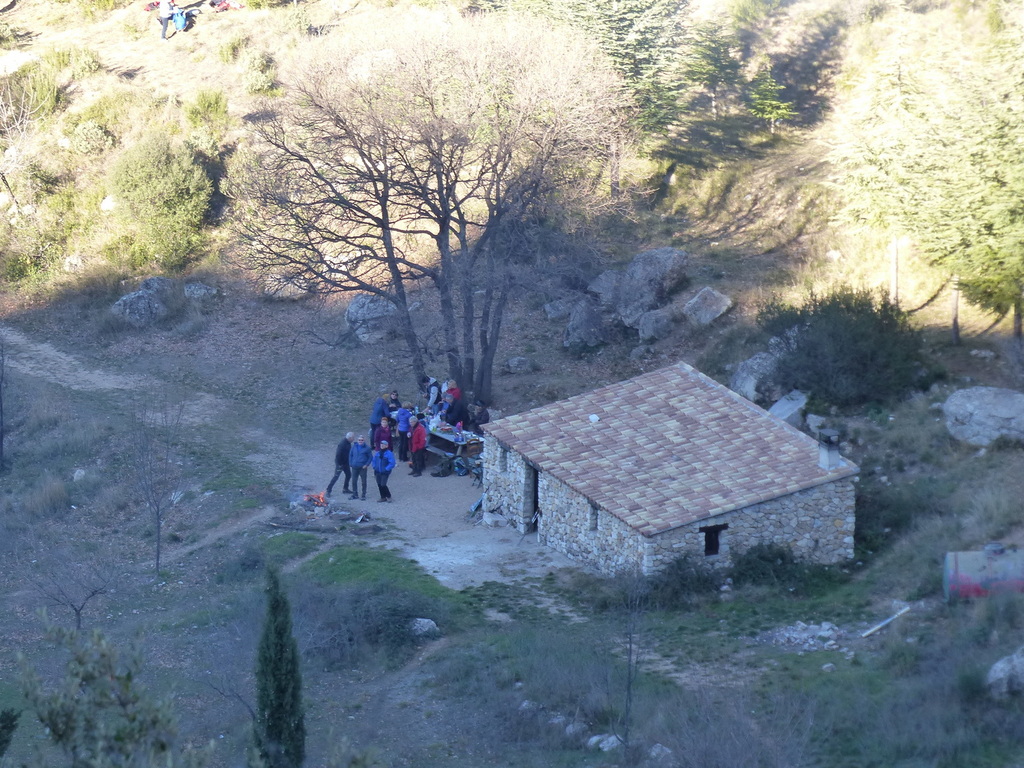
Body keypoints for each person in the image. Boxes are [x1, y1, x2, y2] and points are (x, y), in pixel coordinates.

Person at [325, 431, 353, 497]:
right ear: (349, 438)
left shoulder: (348, 443)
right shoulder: (342, 444)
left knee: (348, 475)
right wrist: (339, 464)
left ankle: (345, 488)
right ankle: (328, 490)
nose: (353, 439)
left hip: (345, 463)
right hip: (340, 464)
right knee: (336, 477)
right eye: (352, 438)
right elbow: (338, 455)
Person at [348, 435, 372, 501]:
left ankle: (363, 494)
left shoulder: (367, 448)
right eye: (359, 440)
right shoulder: (354, 447)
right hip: (354, 467)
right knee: (354, 481)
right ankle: (355, 494)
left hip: (362, 467)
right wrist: (350, 463)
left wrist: (366, 464)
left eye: (362, 440)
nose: (360, 441)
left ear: (364, 441)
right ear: (357, 440)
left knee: (363, 481)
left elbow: (370, 457)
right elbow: (350, 455)